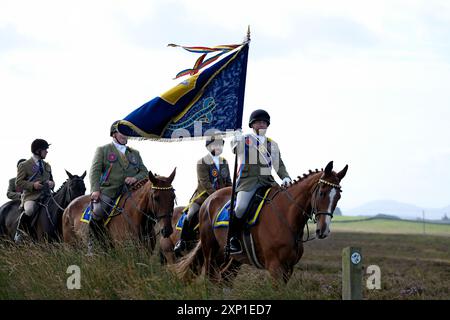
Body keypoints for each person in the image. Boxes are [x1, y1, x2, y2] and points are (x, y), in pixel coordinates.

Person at [228, 109, 292, 254]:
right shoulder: (244, 139)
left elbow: (278, 164)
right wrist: (236, 138)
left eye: (264, 122)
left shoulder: (272, 144)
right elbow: (235, 149)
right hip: (248, 181)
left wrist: (286, 177)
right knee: (240, 207)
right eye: (258, 122)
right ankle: (233, 238)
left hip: (268, 181)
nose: (262, 125)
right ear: (252, 125)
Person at [174, 135, 232, 254]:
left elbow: (229, 181)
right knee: (190, 215)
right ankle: (182, 241)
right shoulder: (202, 162)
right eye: (215, 144)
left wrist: (231, 192)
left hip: (224, 198)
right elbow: (205, 183)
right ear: (209, 147)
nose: (218, 147)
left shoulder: (224, 162)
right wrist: (217, 196)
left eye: (220, 144)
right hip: (204, 197)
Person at [89, 121, 148, 231]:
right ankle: (92, 244)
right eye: (122, 132)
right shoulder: (103, 150)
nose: (125, 135)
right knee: (98, 211)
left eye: (126, 132)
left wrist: (135, 178)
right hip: (110, 191)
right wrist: (95, 190)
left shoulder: (135, 153)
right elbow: (94, 172)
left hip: (132, 191)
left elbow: (144, 172)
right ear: (114, 134)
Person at [14, 139, 54, 242]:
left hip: (47, 196)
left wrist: (52, 184)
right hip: (31, 196)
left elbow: (52, 180)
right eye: (45, 149)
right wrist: (33, 185)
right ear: (38, 151)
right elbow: (18, 182)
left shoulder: (47, 166)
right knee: (30, 210)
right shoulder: (24, 165)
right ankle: (20, 232)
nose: (47, 152)